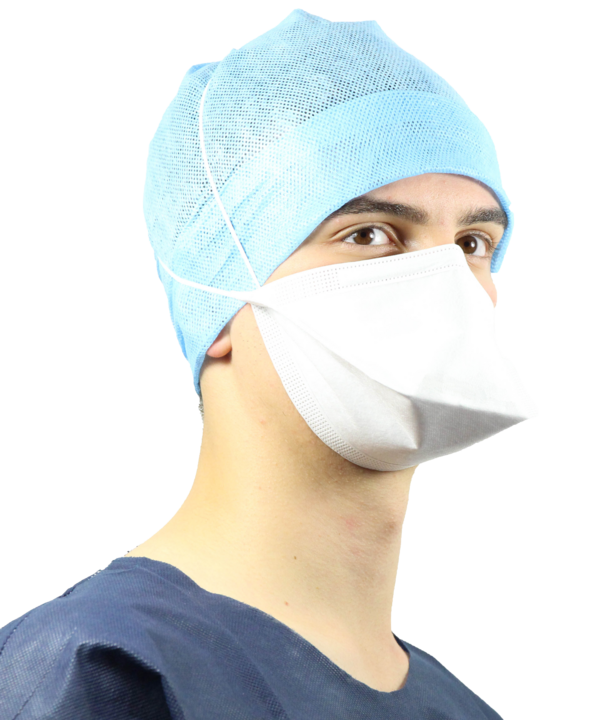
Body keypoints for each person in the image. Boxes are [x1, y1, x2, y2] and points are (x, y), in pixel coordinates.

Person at [0, 10, 536, 718]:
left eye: (472, 243)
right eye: (371, 234)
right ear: (219, 292)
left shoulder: (461, 709)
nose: (448, 284)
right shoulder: (100, 669)